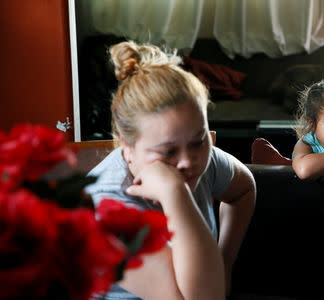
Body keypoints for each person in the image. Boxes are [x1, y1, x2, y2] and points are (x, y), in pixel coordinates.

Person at [86, 41, 256, 300]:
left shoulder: (199, 157)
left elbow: (244, 188)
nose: (188, 160)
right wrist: (176, 194)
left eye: (198, 140)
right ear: (127, 146)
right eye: (167, 152)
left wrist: (224, 262)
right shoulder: (107, 209)